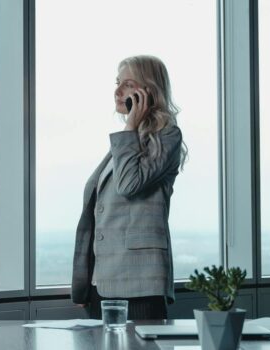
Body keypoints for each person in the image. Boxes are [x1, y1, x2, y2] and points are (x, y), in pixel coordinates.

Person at [71, 55, 186, 320]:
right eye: (117, 83)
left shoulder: (167, 137)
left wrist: (131, 126)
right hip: (102, 282)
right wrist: (84, 281)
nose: (117, 91)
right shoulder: (128, 143)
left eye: (127, 84)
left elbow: (129, 184)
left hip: (139, 284)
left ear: (148, 91)